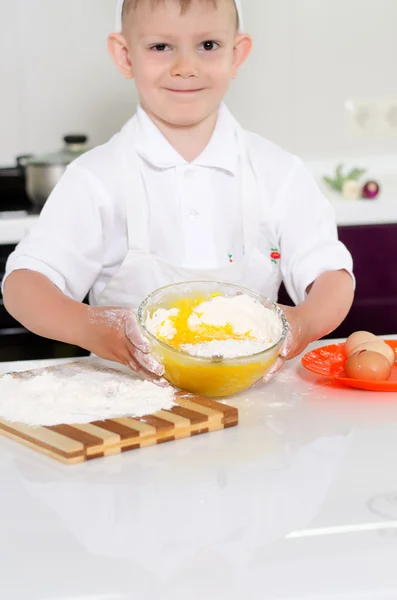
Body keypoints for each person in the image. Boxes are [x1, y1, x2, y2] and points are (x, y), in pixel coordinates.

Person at [3, 0, 354, 382]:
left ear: (237, 54)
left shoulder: (278, 171)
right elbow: (25, 286)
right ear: (125, 56)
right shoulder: (96, 177)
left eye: (208, 46)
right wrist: (90, 326)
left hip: (254, 409)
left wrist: (302, 323)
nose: (185, 67)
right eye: (160, 47)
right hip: (127, 409)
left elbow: (331, 278)